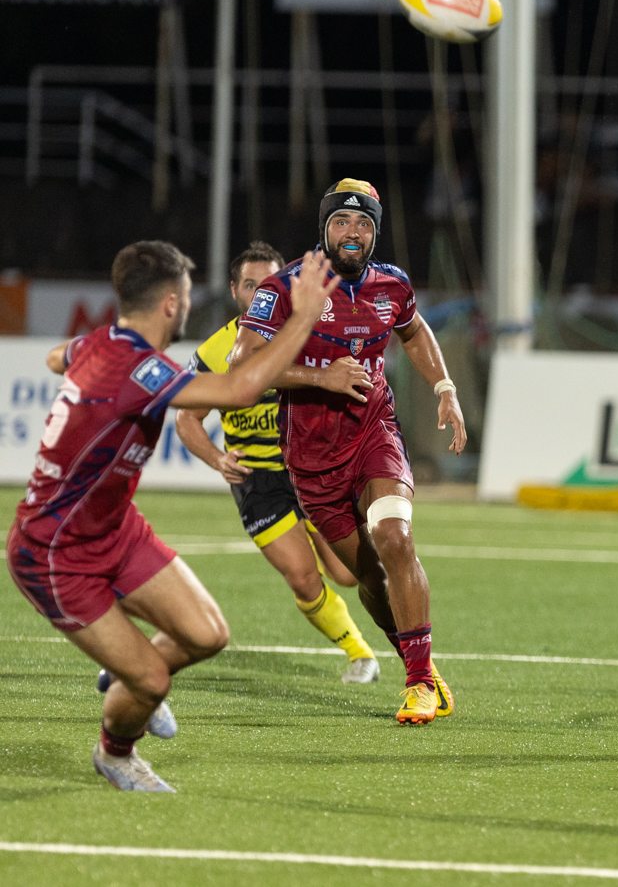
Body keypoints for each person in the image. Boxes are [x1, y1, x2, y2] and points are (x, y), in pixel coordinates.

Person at [9, 241, 337, 792]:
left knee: (208, 634)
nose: (189, 306)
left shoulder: (102, 344)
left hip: (113, 528)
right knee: (153, 680)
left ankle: (125, 670)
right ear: (169, 304)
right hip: (53, 552)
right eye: (186, 297)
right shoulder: (139, 370)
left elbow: (55, 358)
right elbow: (239, 389)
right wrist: (302, 317)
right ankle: (116, 752)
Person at [232, 179, 467, 726]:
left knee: (395, 537)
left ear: (375, 232)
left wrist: (445, 387)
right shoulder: (287, 286)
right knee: (369, 579)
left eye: (363, 223)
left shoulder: (393, 285)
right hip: (311, 457)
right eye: (341, 221)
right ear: (325, 228)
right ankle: (422, 668)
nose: (352, 232)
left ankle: (417, 682)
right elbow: (243, 366)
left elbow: (414, 332)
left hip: (373, 432)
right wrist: (322, 376)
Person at [175, 241, 379, 684]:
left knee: (348, 573)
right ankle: (360, 654)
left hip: (312, 468)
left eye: (268, 282)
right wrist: (217, 459)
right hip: (258, 480)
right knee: (303, 578)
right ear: (235, 290)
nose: (259, 293)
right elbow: (187, 419)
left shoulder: (312, 334)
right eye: (250, 285)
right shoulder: (216, 351)